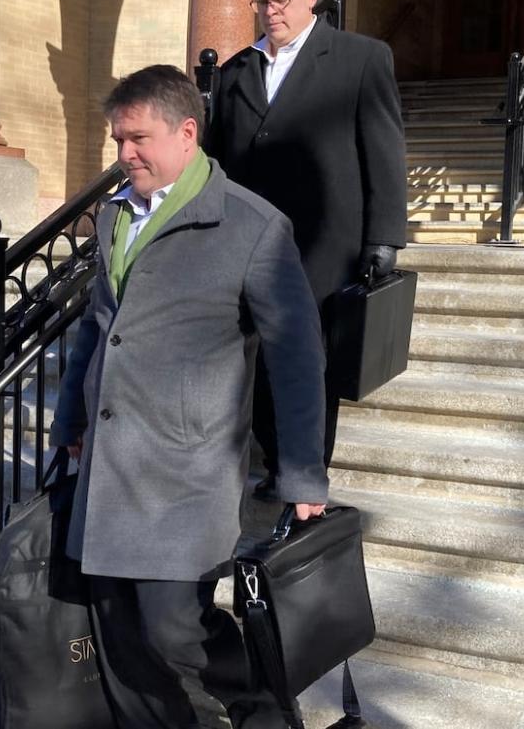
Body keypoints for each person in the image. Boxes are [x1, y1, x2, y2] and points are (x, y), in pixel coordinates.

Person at [49, 64, 329, 729]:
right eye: (118, 139)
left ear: (187, 132)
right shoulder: (116, 214)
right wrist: (72, 417)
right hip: (112, 462)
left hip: (186, 469)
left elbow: (296, 356)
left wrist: (302, 472)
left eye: (138, 139)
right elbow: (98, 324)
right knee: (119, 632)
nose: (124, 155)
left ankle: (262, 717)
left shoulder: (251, 226)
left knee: (176, 628)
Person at [205, 0, 408, 499]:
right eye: (261, 2)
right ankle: (275, 463)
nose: (271, 11)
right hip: (250, 244)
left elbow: (383, 151)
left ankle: (307, 468)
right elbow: (217, 160)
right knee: (264, 357)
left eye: (281, 0)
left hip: (325, 243)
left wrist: (384, 236)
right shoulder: (234, 73)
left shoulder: (360, 59)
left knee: (312, 363)